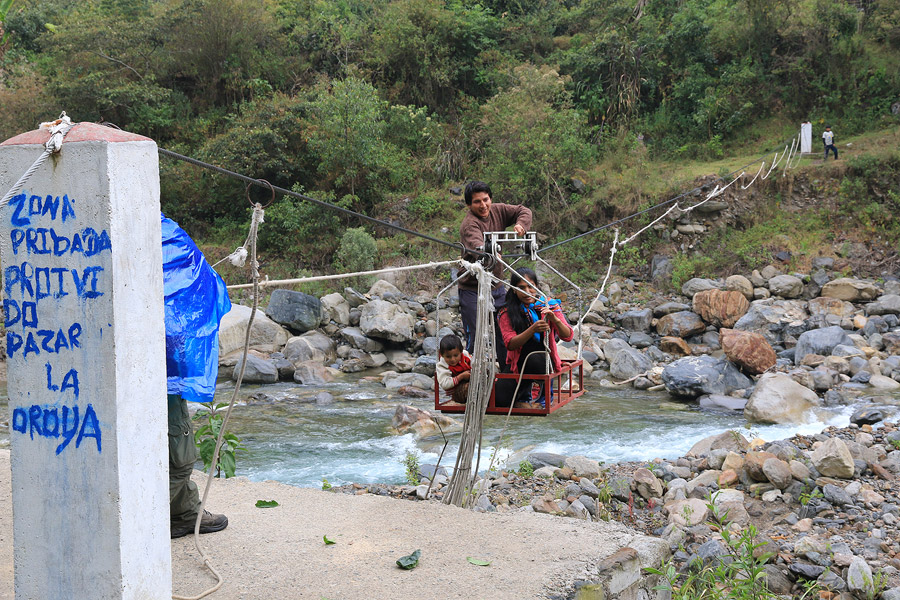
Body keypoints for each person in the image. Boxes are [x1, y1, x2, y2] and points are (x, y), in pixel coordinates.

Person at [163, 214, 232, 539]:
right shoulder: (158, 233)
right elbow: (195, 286)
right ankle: (182, 513)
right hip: (158, 367)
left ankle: (180, 509)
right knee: (178, 447)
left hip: (148, 362)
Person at [458, 181, 532, 365]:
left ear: (491, 199)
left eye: (486, 199)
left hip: (496, 286)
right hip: (472, 289)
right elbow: (477, 246)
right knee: (475, 336)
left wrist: (521, 225)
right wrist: (488, 252)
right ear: (469, 205)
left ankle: (506, 374)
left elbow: (524, 211)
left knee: (504, 331)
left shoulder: (498, 210)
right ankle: (472, 378)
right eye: (477, 202)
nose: (483, 205)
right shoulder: (469, 225)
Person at [496, 268, 573, 408]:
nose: (527, 291)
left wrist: (555, 320)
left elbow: (567, 336)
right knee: (499, 400)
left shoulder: (549, 305)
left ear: (537, 286)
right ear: (514, 290)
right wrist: (532, 329)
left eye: (531, 286)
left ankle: (540, 394)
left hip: (542, 361)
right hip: (518, 365)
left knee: (537, 360)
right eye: (521, 288)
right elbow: (510, 343)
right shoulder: (506, 311)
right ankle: (524, 396)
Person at [435, 334, 472, 404]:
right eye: (448, 357)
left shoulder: (465, 355)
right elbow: (445, 384)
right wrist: (461, 377)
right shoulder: (442, 366)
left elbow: (475, 364)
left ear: (461, 351)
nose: (453, 359)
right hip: (457, 393)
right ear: (442, 355)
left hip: (469, 383)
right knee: (470, 387)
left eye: (456, 355)